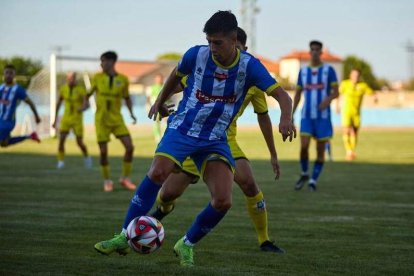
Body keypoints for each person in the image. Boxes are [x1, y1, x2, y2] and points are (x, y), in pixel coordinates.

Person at [94, 11, 295, 267]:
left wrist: (286, 118)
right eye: (209, 41)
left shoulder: (250, 66)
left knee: (223, 200)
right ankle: (123, 236)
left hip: (215, 137)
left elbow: (283, 96)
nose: (212, 47)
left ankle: (186, 244)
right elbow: (176, 76)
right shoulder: (196, 55)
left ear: (234, 40)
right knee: (158, 173)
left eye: (218, 42)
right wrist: (159, 101)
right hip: (183, 128)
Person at [149, 27, 285, 254]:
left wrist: (273, 153)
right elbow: (180, 81)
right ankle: (160, 212)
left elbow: (263, 117)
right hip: (195, 136)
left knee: (249, 184)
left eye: (240, 50)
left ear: (242, 48)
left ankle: (265, 240)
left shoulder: (251, 77)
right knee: (168, 193)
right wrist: (161, 100)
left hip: (225, 141)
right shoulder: (210, 65)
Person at [85, 51, 137, 192]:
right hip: (101, 120)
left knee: (130, 147)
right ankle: (107, 181)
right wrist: (82, 106)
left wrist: (131, 114)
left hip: (117, 119)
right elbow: (87, 95)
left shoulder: (123, 80)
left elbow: (126, 98)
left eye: (103, 61)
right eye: (101, 61)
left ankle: (125, 178)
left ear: (112, 62)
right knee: (103, 152)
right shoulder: (97, 78)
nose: (101, 64)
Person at [292, 40, 339, 192]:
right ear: (309, 51)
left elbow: (336, 91)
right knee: (304, 146)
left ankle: (313, 180)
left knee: (320, 151)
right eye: (311, 49)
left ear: (321, 52)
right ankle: (305, 173)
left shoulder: (328, 70)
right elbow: (298, 94)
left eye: (317, 49)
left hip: (323, 118)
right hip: (307, 116)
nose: (314, 52)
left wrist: (328, 99)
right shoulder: (303, 72)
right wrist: (291, 113)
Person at [52, 72, 92, 169]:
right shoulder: (63, 89)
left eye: (72, 78)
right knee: (61, 140)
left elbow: (87, 104)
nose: (71, 80)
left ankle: (87, 158)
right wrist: (55, 120)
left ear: (75, 79)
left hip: (77, 119)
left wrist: (82, 108)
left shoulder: (81, 90)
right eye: (69, 78)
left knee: (79, 142)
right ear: (67, 78)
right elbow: (58, 104)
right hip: (66, 118)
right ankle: (60, 161)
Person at [337, 69, 377, 160]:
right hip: (346, 111)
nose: (355, 77)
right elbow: (338, 94)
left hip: (357, 113)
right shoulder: (345, 84)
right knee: (347, 130)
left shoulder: (363, 86)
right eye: (354, 75)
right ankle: (349, 151)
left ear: (359, 76)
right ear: (350, 75)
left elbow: (372, 93)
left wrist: (375, 97)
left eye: (357, 75)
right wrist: (337, 106)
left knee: (354, 132)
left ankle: (351, 151)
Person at [0, 64, 41, 147]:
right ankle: (30, 136)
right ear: (4, 74)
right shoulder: (1, 88)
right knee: (4, 143)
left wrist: (36, 116)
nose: (8, 75)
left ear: (14, 75)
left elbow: (30, 102)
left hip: (8, 122)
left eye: (11, 73)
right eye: (7, 73)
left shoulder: (18, 89)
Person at [146, 74, 164, 143]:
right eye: (157, 78)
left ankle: (164, 136)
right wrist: (147, 106)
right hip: (155, 107)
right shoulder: (152, 88)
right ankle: (157, 137)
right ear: (155, 79)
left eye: (160, 78)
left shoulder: (165, 87)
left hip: (164, 107)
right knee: (156, 122)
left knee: (165, 122)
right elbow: (148, 98)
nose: (159, 80)